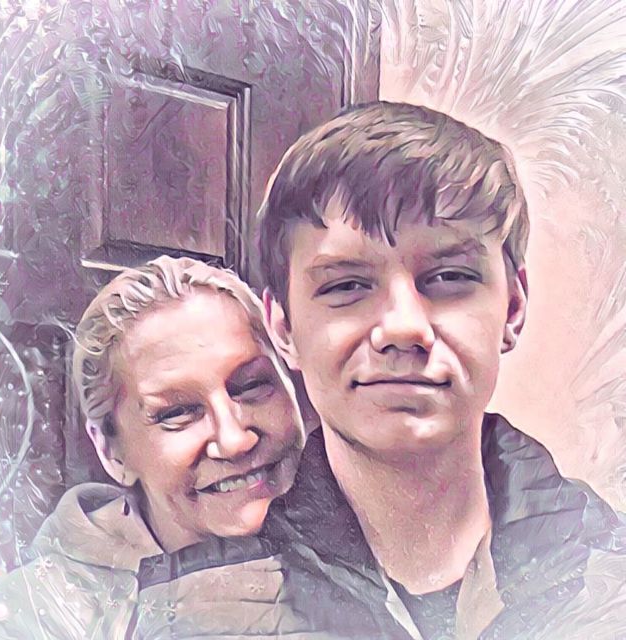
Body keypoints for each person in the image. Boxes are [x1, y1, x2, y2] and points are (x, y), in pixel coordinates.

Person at [258, 101, 626, 639]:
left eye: (450, 276)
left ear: (513, 308)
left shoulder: (611, 573)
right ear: (284, 327)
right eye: (346, 285)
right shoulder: (198, 609)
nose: (404, 327)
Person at [0, 257, 315, 638]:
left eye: (253, 385)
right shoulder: (38, 615)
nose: (234, 439)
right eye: (177, 413)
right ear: (111, 452)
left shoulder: (359, 539)